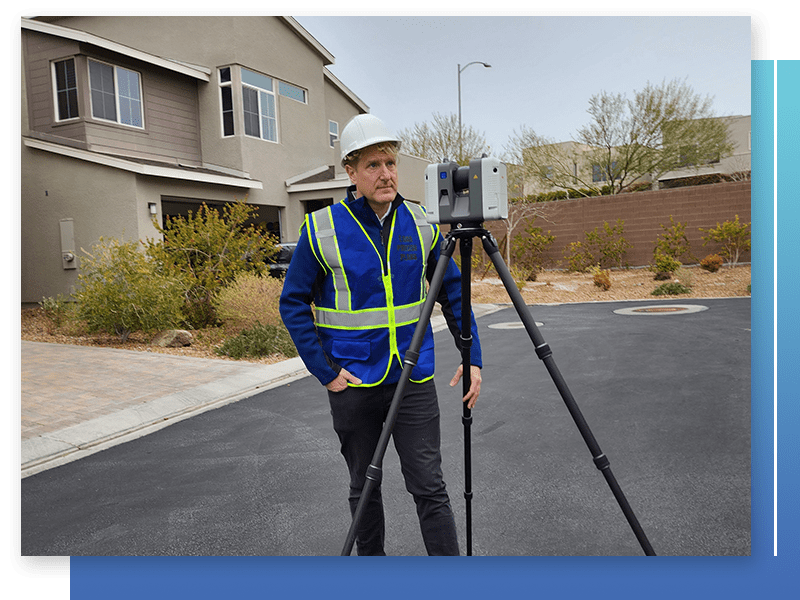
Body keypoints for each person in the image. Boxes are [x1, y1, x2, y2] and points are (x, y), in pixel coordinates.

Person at [279, 114, 483, 556]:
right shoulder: (322, 228)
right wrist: (325, 372)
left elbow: (452, 293)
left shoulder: (423, 223)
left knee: (430, 486)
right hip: (353, 383)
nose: (386, 173)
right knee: (365, 487)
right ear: (350, 173)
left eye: (390, 162)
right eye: (373, 165)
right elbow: (292, 303)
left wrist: (473, 357)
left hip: (413, 381)